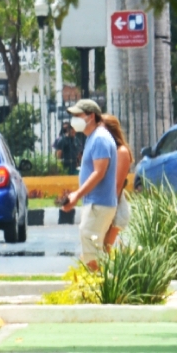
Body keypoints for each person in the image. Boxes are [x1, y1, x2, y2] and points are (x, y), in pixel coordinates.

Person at [60, 100, 117, 270]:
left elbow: (99, 172)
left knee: (90, 244)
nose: (74, 120)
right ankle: (100, 285)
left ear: (91, 116)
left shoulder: (99, 138)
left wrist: (76, 194)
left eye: (78, 115)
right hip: (96, 203)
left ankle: (98, 286)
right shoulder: (94, 138)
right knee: (93, 247)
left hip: (99, 203)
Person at [100, 114, 132, 252]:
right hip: (106, 206)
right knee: (97, 250)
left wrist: (106, 214)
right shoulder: (107, 151)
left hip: (115, 208)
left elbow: (117, 187)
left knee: (103, 250)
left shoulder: (122, 152)